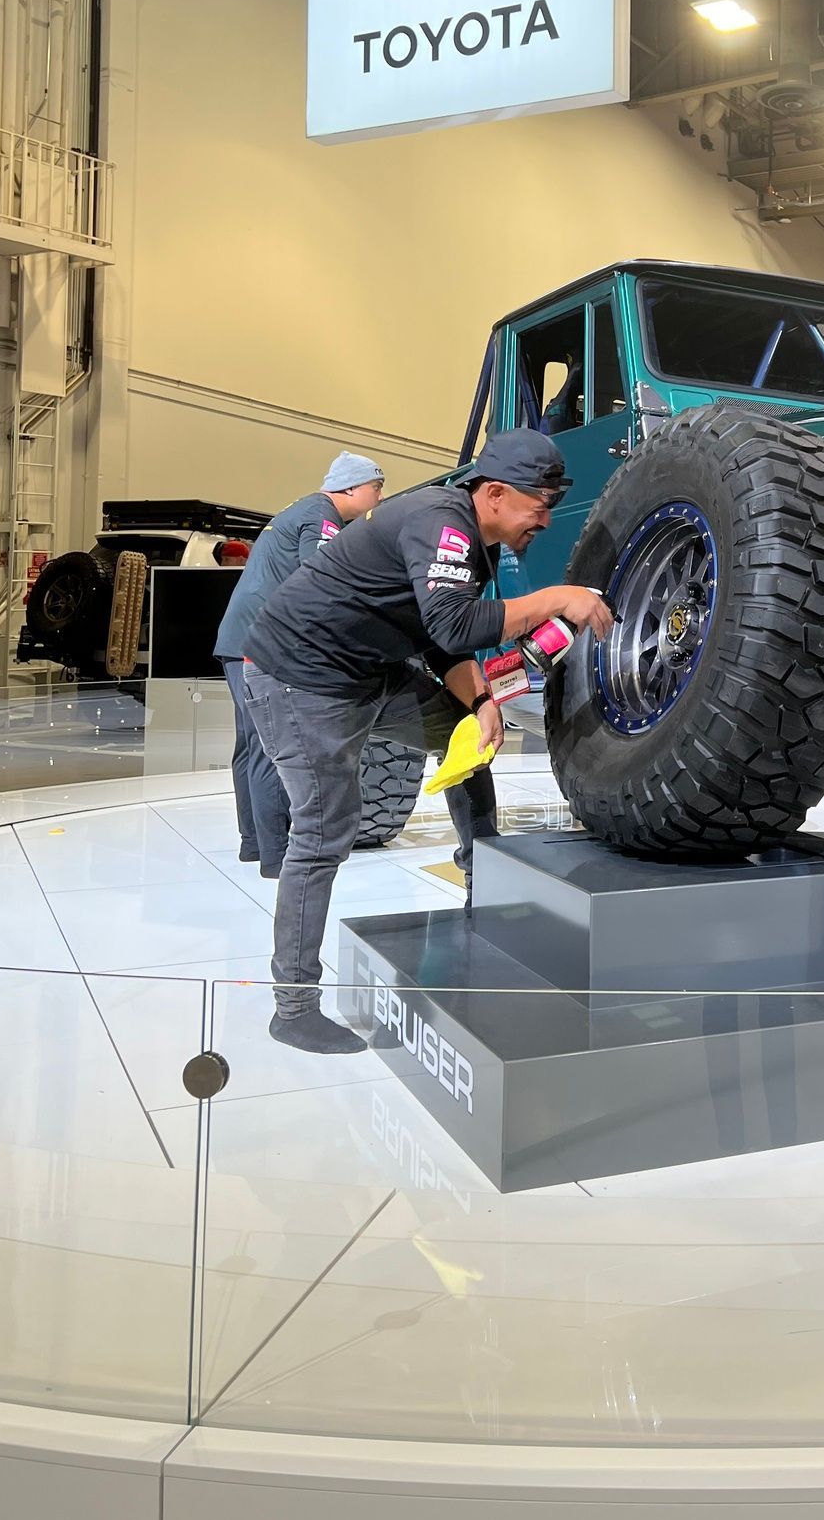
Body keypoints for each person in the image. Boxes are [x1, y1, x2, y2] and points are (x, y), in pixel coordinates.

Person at [240, 431, 614, 1055]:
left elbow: (444, 643)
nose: (545, 521)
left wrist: (480, 703)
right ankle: (294, 1007)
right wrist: (556, 598)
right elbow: (452, 622)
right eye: (540, 505)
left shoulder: (474, 540)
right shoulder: (442, 522)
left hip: (367, 671)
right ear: (494, 493)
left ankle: (483, 889)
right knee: (324, 832)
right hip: (299, 679)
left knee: (471, 744)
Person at [214, 453, 386, 878]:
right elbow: (323, 577)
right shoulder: (322, 515)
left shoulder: (301, 509)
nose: (378, 498)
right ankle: (275, 856)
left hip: (238, 638)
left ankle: (254, 843)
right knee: (272, 747)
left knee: (250, 744)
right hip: (259, 643)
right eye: (376, 488)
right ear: (352, 487)